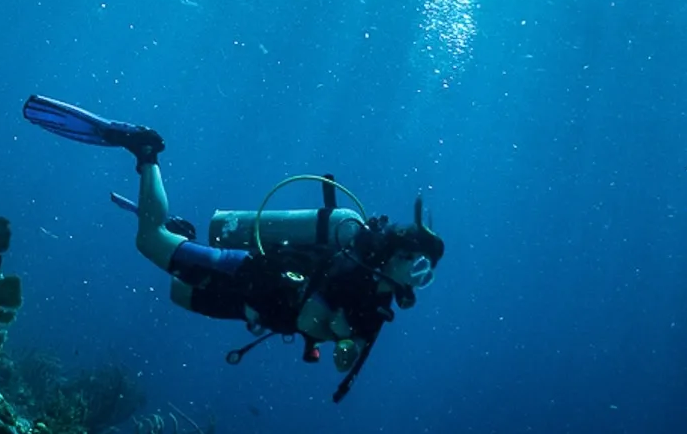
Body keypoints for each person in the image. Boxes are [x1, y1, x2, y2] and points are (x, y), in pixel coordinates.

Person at [23, 94, 444, 401]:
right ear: (401, 256)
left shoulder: (376, 304)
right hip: (246, 272)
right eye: (419, 267)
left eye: (425, 274)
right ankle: (145, 151)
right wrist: (337, 331)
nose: (419, 279)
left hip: (251, 305)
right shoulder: (356, 275)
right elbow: (314, 317)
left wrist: (346, 344)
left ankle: (178, 232)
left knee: (178, 292)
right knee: (149, 241)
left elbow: (340, 354)